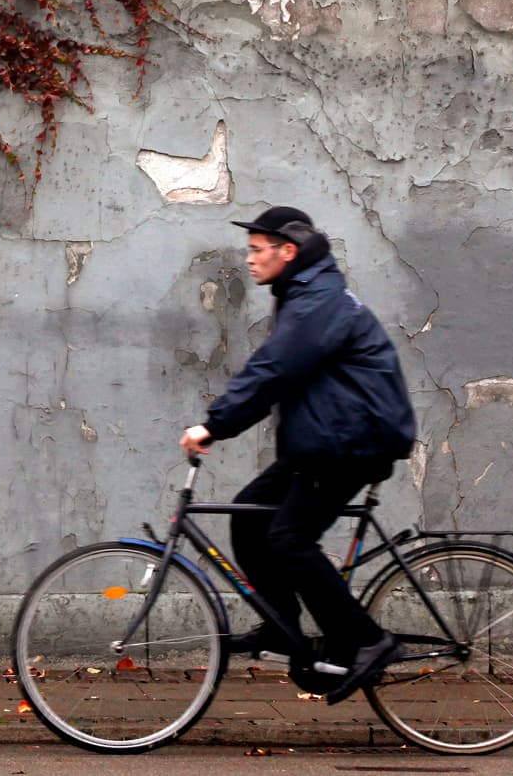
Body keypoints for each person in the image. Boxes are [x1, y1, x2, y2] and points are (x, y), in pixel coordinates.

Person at [178, 206, 417, 704]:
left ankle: (369, 641)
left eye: (256, 249)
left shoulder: (318, 302)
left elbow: (274, 370)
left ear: (288, 251)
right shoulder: (303, 296)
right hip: (324, 442)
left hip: (351, 443)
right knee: (248, 519)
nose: (249, 259)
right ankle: (279, 626)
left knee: (288, 540)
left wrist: (214, 424)